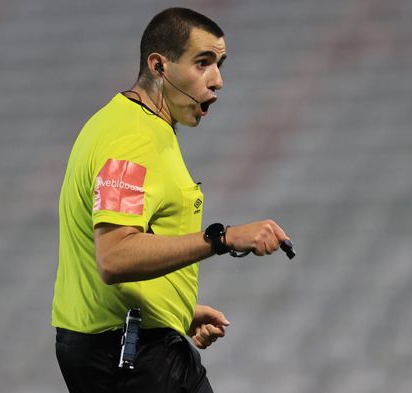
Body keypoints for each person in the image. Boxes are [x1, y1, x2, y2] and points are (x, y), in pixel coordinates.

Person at [52, 7, 293, 393]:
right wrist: (222, 238)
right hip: (132, 357)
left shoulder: (125, 124)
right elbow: (114, 256)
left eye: (220, 63)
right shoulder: (132, 140)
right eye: (203, 63)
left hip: (125, 344)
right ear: (159, 66)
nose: (218, 80)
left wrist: (174, 310)